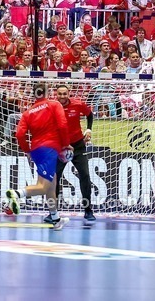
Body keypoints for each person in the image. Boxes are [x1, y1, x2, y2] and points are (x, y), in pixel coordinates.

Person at [6, 82, 71, 230]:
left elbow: (19, 134)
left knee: (51, 186)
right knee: (43, 187)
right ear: (47, 92)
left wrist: (27, 150)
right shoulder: (54, 105)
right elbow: (62, 125)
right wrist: (66, 144)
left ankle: (55, 218)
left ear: (34, 94)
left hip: (37, 150)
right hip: (50, 149)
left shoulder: (27, 113)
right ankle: (16, 194)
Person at [54, 84, 96, 222]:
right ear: (56, 94)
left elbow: (90, 115)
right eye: (60, 94)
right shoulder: (52, 107)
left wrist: (89, 130)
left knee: (84, 175)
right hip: (60, 147)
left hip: (78, 146)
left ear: (68, 93)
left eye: (64, 94)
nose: (62, 96)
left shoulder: (78, 104)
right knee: (55, 178)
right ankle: (53, 213)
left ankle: (88, 210)